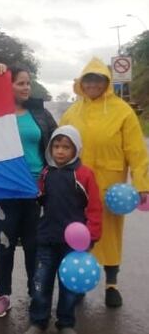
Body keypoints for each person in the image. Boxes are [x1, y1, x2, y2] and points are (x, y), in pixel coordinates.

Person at [60, 58, 149, 308]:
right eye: (88, 79)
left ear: (106, 83)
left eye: (97, 79)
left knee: (110, 234)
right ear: (81, 83)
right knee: (80, 231)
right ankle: (79, 284)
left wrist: (142, 183)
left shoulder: (122, 111)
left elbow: (136, 151)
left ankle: (112, 284)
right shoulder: (72, 112)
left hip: (111, 186)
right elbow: (59, 146)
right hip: (78, 185)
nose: (92, 84)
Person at [0, 64, 57, 317]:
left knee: (33, 244)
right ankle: (3, 295)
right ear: (8, 86)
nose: (27, 87)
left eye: (28, 83)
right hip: (2, 191)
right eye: (20, 83)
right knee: (4, 244)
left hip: (36, 192)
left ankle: (35, 292)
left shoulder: (40, 115)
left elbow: (57, 146)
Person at [25, 126, 102, 334]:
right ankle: (38, 321)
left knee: (68, 288)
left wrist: (92, 235)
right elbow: (40, 198)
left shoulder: (84, 174)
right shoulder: (46, 172)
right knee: (40, 282)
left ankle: (66, 323)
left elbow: (94, 207)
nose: (60, 151)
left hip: (74, 245)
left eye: (66, 147)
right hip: (47, 238)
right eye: (56, 146)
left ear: (75, 149)